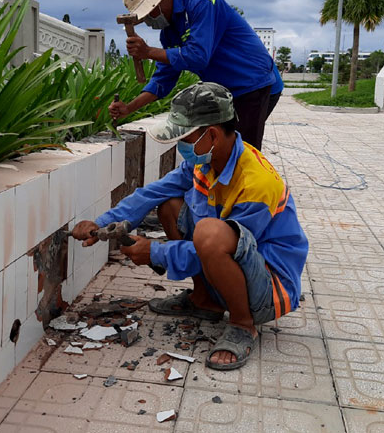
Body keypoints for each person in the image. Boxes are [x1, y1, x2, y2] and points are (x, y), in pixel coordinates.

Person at [76, 82, 308, 370]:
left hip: (269, 288)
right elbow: (154, 192)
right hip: (236, 267)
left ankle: (242, 324)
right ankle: (205, 301)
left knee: (210, 233)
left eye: (184, 137)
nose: (180, 145)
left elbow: (215, 247)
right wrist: (101, 225)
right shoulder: (208, 160)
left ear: (211, 134)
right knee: (171, 206)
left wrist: (156, 252)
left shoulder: (257, 184)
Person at [109, 0, 282, 151]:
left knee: (242, 154)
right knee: (218, 152)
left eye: (148, 16)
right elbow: (163, 80)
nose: (148, 23)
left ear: (157, 4)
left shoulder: (203, 3)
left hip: (255, 85)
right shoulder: (169, 33)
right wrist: (129, 108)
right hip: (227, 93)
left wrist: (148, 52)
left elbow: (198, 56)